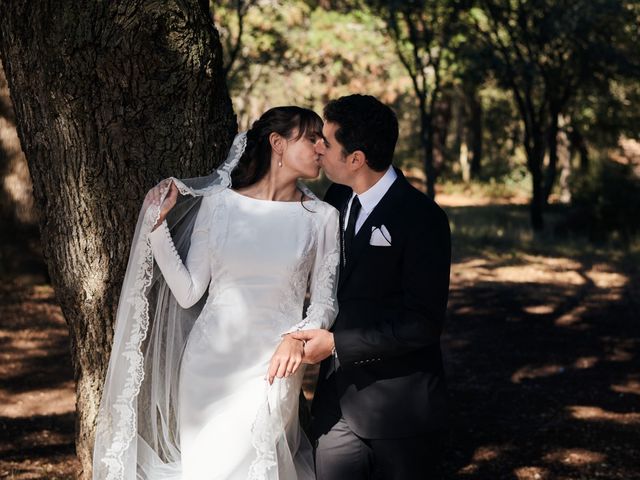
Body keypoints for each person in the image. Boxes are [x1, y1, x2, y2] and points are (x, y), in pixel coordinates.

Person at [92, 106, 340, 480]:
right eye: (312, 137)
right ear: (277, 143)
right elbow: (189, 291)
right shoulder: (219, 203)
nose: (323, 147)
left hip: (271, 367)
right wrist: (156, 228)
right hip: (207, 365)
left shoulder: (321, 217)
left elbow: (325, 299)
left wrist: (297, 338)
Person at [292, 94, 451, 479]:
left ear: (356, 158)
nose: (318, 148)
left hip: (400, 408)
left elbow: (422, 324)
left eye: (325, 143)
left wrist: (337, 345)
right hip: (336, 403)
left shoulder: (423, 218)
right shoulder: (338, 196)